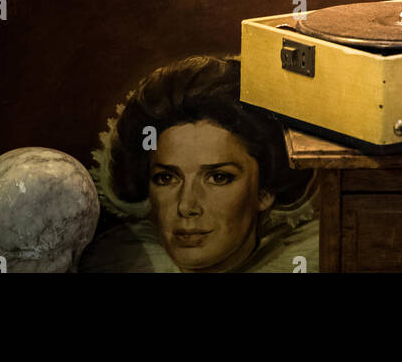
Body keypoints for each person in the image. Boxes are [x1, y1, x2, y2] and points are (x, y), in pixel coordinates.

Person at [82, 56, 316, 273]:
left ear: (264, 192)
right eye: (166, 178)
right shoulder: (113, 263)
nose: (186, 206)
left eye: (218, 177)